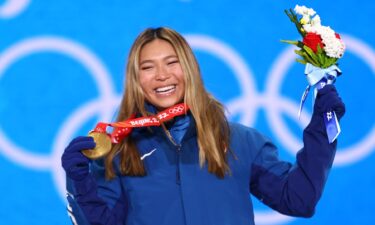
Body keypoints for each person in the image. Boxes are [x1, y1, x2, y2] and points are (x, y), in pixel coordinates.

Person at [61, 27, 345, 225]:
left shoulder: (241, 142)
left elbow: (298, 200)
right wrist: (79, 182)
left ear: (190, 69)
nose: (161, 76)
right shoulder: (120, 152)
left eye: (172, 63)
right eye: (147, 68)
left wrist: (323, 125)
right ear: (135, 79)